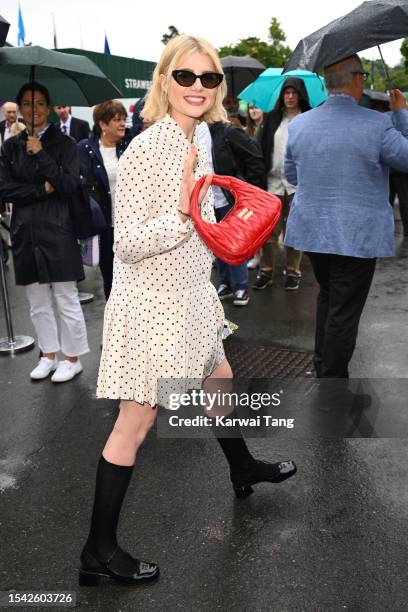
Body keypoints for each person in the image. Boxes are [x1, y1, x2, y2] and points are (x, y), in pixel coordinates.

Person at [79, 34, 296, 587]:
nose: (198, 88)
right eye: (186, 77)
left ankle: (242, 467)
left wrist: (212, 215)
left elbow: (202, 205)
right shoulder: (148, 148)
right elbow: (124, 242)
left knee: (218, 377)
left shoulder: (197, 132)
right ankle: (98, 551)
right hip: (154, 302)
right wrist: (183, 215)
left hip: (192, 291)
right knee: (139, 419)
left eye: (209, 78)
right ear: (164, 80)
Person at [284, 54, 408, 379]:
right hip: (357, 234)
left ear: (327, 82)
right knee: (343, 309)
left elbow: (291, 175)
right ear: (357, 79)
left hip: (311, 230)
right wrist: (402, 115)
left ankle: (322, 364)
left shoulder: (299, 124)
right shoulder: (377, 123)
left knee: (328, 296)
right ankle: (332, 382)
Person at [0, 82, 89, 382]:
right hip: (25, 230)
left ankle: (72, 358)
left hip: (58, 228)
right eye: (26, 103)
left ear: (49, 108)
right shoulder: (10, 146)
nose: (33, 109)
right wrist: (40, 189)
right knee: (37, 301)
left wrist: (41, 155)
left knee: (66, 296)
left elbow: (67, 186)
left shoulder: (65, 145)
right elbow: (4, 188)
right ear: (20, 108)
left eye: (39, 103)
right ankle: (48, 354)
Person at [255, 78, 311, 291]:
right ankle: (266, 271)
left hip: (299, 185)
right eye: (286, 93)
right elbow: (259, 148)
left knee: (294, 231)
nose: (289, 97)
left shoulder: (308, 119)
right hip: (272, 184)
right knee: (269, 232)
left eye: (294, 93)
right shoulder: (272, 119)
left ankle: (293, 272)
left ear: (300, 95)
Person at [78, 100, 133, 300]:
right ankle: (116, 326)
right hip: (104, 226)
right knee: (111, 279)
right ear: (102, 124)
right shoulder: (85, 149)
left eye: (124, 119)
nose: (122, 124)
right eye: (117, 120)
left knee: (135, 278)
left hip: (130, 224)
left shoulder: (129, 144)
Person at [210, 113, 264, 306]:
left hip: (229, 198)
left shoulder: (227, 131)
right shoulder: (193, 132)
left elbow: (254, 155)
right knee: (216, 244)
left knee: (233, 242)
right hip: (207, 200)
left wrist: (249, 188)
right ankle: (225, 283)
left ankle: (241, 286)